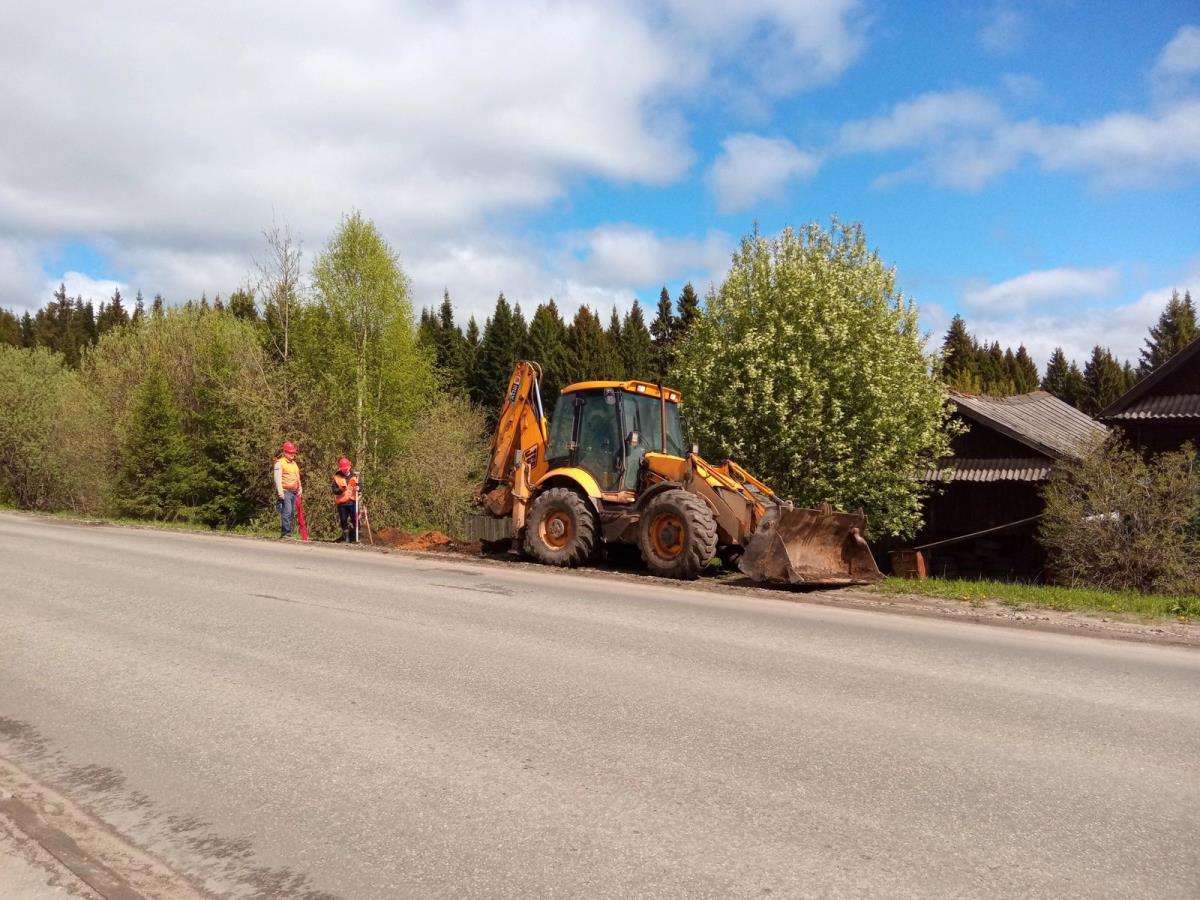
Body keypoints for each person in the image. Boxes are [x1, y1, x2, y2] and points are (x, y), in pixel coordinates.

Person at [273, 441, 302, 538]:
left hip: (294, 491)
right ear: (284, 452)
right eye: (290, 452)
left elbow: (297, 476)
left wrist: (300, 487)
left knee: (292, 512)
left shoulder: (294, 463)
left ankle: (288, 532)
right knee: (287, 511)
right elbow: (277, 479)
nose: (293, 454)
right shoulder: (279, 463)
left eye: (293, 452)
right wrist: (280, 492)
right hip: (285, 491)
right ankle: (285, 533)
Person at [331, 457, 359, 543]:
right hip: (342, 503)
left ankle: (356, 537)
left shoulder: (355, 476)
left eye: (346, 468)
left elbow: (360, 486)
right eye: (343, 469)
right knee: (343, 520)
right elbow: (334, 490)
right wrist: (340, 490)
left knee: (355, 519)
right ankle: (346, 538)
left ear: (349, 467)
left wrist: (359, 488)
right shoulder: (337, 477)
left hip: (352, 501)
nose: (345, 470)